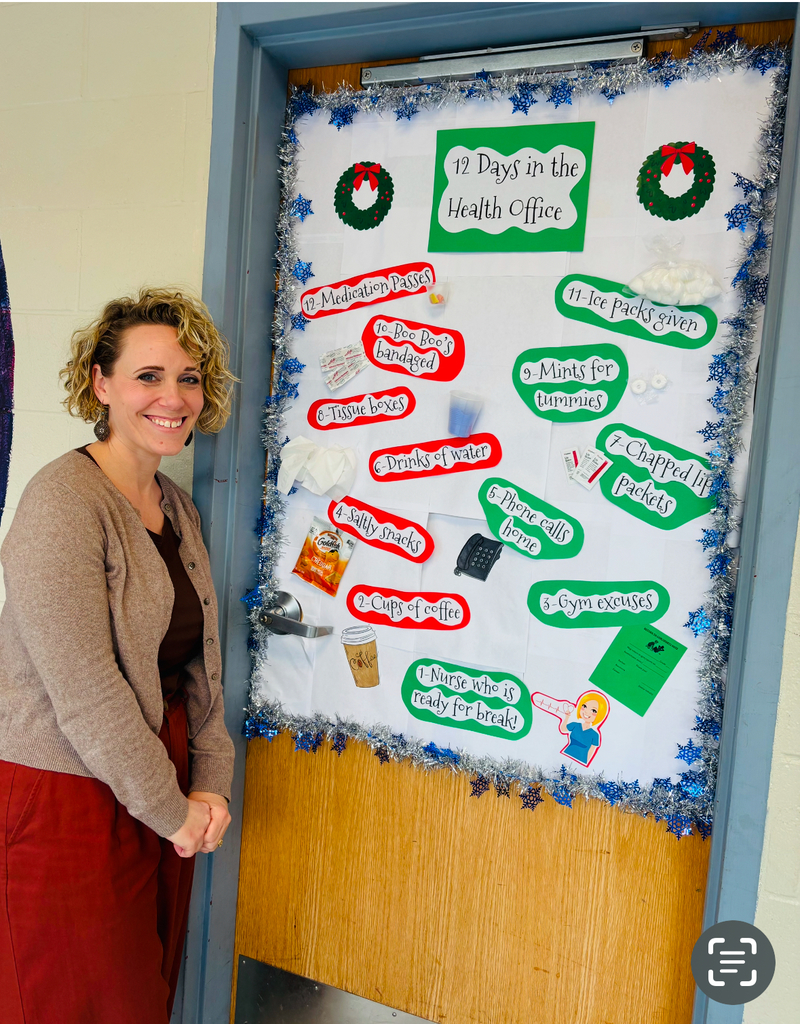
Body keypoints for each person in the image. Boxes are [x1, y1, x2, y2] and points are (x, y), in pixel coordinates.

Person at [0, 288, 237, 1024]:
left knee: (146, 993)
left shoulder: (177, 506)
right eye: (149, 376)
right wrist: (173, 810)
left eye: (189, 378)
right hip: (61, 790)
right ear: (101, 383)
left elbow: (202, 667)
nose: (174, 397)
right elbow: (85, 692)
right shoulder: (62, 502)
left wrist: (212, 786)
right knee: (81, 1003)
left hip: (150, 783)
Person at [558, 690, 609, 766]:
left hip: (581, 762)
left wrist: (584, 764)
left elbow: (591, 752)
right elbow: (563, 729)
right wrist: (567, 717)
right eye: (584, 706)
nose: (587, 712)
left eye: (593, 710)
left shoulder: (595, 735)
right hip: (566, 755)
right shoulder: (575, 725)